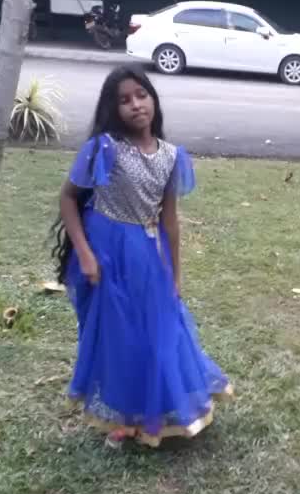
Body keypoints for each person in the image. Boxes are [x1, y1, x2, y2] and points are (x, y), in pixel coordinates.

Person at [52, 65, 232, 448]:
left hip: (146, 254)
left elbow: (170, 222)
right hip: (104, 253)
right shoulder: (103, 148)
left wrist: (176, 275)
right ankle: (124, 417)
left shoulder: (171, 156)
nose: (135, 105)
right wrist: (85, 254)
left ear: (153, 99)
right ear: (113, 108)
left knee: (160, 329)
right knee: (118, 335)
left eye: (141, 95)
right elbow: (68, 198)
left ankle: (159, 406)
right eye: (124, 100)